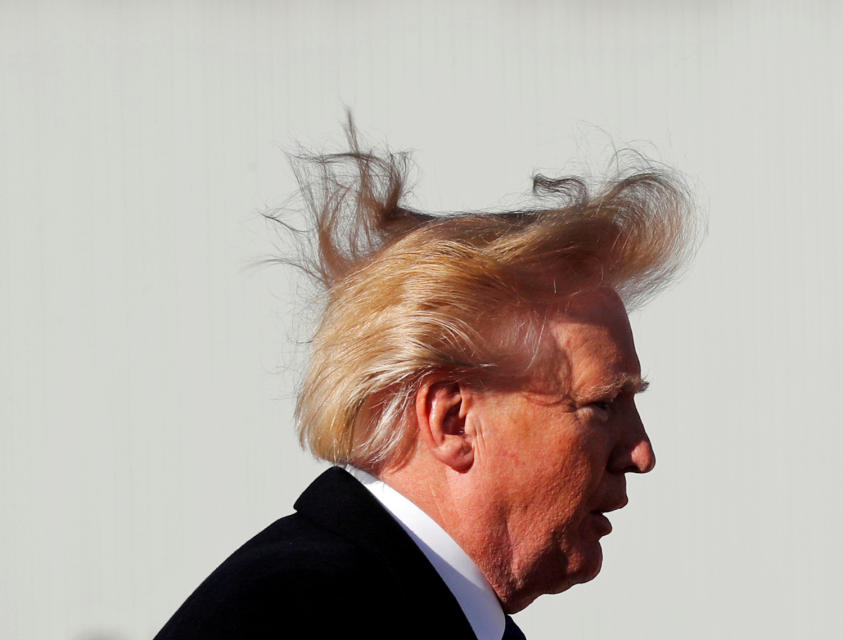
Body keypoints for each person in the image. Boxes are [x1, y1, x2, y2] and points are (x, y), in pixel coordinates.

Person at [155, 122, 695, 639]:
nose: (641, 452)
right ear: (453, 420)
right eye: (602, 404)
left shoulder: (403, 608)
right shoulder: (305, 618)